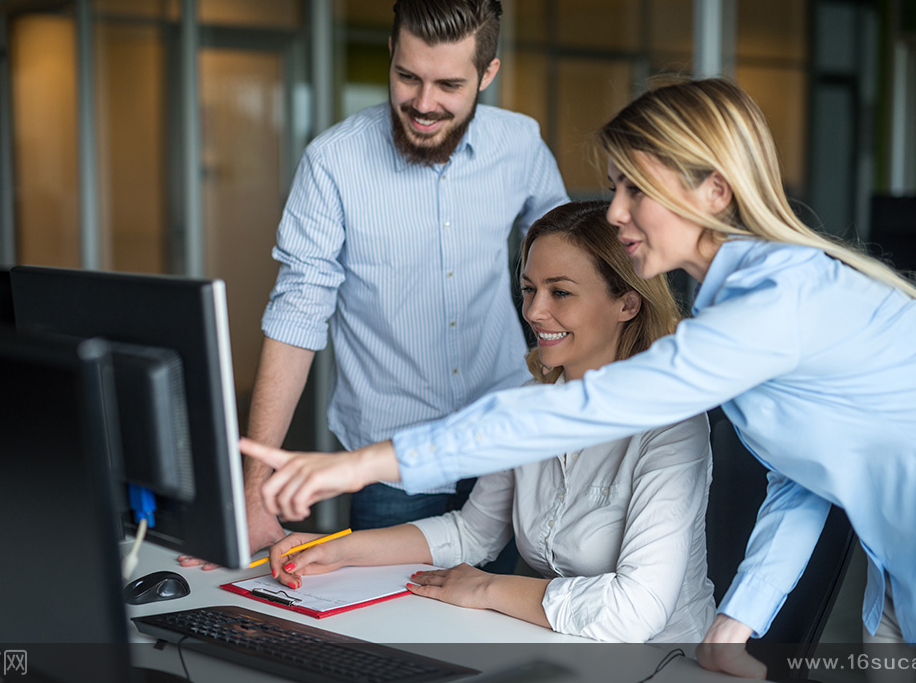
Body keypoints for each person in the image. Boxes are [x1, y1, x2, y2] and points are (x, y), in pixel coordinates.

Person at [241, 77, 916, 680]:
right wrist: (736, 621)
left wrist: (359, 464)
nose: (617, 213)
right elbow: (801, 481)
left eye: (635, 189)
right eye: (615, 188)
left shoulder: (782, 300)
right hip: (904, 578)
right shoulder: (736, 310)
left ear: (713, 190)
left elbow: (590, 409)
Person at [182, 0, 567, 568]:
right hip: (390, 461)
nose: (423, 102)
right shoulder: (333, 162)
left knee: (499, 625)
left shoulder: (520, 144)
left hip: (505, 441)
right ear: (391, 52)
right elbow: (298, 313)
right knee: (392, 638)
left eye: (450, 84)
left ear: (487, 75)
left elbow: (576, 267)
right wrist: (256, 482)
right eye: (408, 76)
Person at [262, 200, 715, 643]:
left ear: (627, 305)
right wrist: (336, 549)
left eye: (560, 292)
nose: (535, 312)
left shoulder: (673, 424)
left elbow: (634, 612)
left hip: (666, 661)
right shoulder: (531, 402)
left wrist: (485, 587)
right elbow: (471, 533)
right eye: (529, 289)